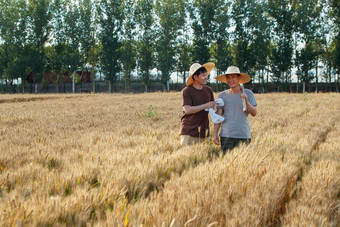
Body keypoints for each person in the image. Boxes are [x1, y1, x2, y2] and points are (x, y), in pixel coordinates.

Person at [213, 66, 257, 153]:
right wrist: (215, 135)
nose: (230, 80)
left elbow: (254, 113)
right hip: (226, 136)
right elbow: (218, 117)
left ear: (239, 78)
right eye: (228, 78)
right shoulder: (222, 96)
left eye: (233, 77)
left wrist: (247, 102)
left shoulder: (248, 93)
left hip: (244, 136)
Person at [180, 62, 216, 146]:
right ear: (195, 77)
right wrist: (206, 105)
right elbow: (187, 110)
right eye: (203, 75)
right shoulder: (186, 91)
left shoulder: (209, 90)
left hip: (204, 132)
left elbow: (213, 107)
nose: (206, 77)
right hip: (188, 132)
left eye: (206, 75)